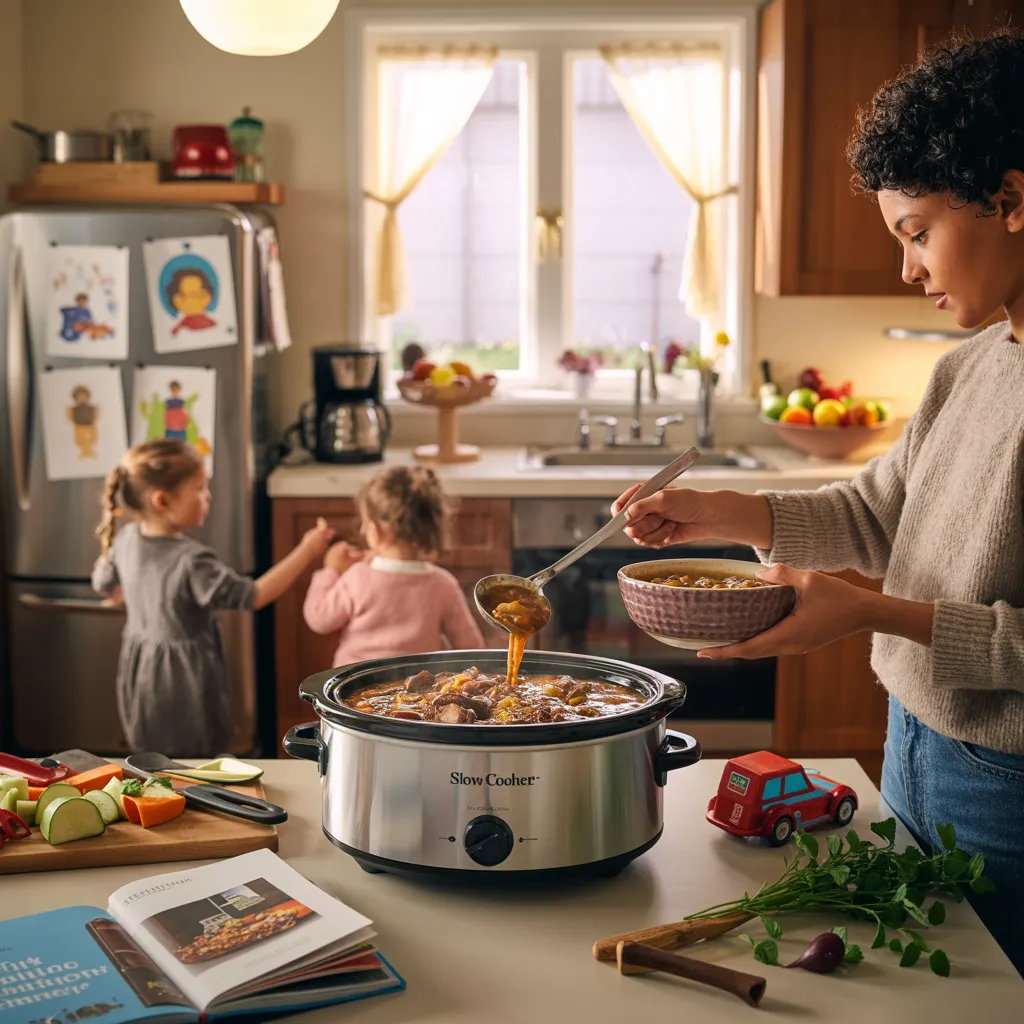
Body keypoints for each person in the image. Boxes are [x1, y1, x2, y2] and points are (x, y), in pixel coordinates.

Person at [613, 32, 1024, 975]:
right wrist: (725, 511)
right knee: (934, 993)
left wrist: (871, 614)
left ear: (1009, 200)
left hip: (1007, 781)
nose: (910, 270)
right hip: (914, 741)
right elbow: (881, 512)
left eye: (918, 232)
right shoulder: (968, 370)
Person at [92, 438, 334, 756]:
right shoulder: (192, 560)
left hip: (141, 674)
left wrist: (129, 594)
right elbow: (253, 596)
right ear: (162, 500)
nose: (208, 496)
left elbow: (104, 583)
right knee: (196, 758)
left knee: (152, 754)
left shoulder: (125, 539)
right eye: (199, 488)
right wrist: (308, 550)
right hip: (185, 680)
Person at [303, 464, 483, 665]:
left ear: (376, 532)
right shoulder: (443, 584)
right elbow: (472, 650)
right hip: (418, 694)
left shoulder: (358, 577)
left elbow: (319, 618)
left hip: (355, 690)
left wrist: (331, 570)